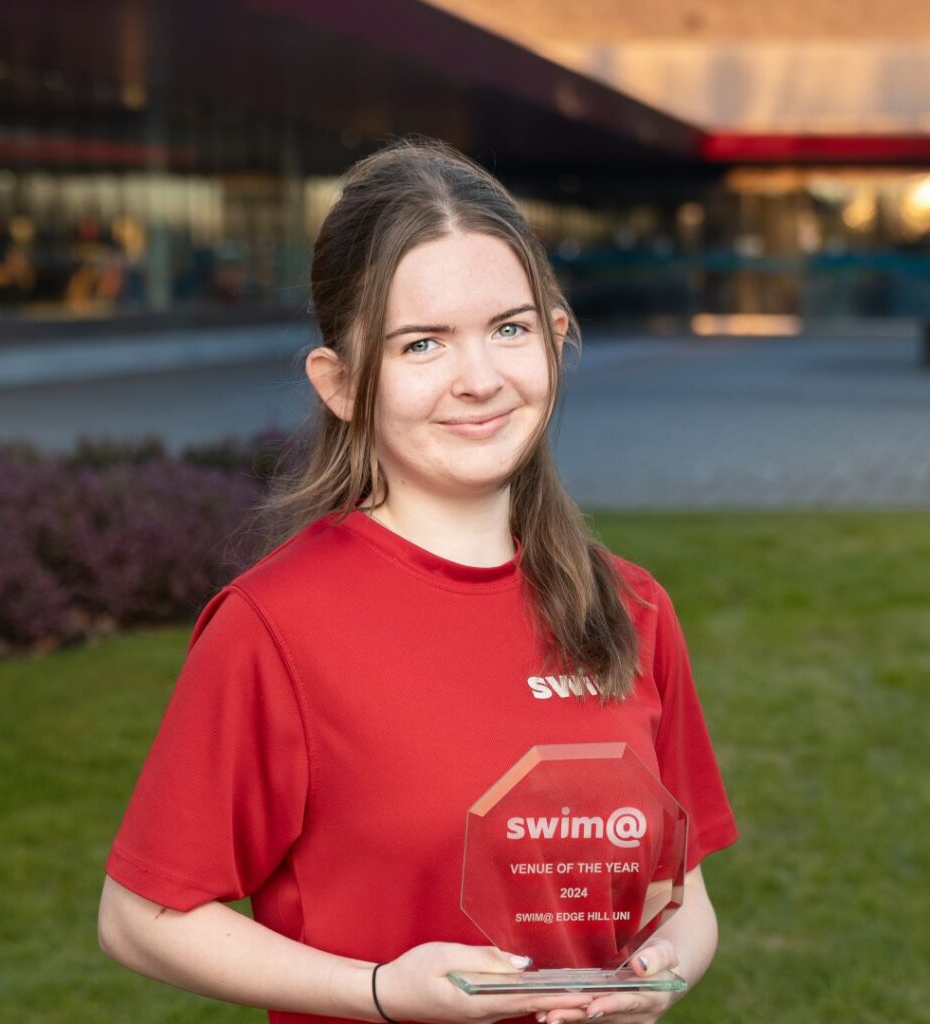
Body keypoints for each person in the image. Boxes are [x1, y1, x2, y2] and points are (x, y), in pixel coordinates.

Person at [97, 137, 738, 1024]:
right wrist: (377, 992)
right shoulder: (276, 626)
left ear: (554, 341)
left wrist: (658, 974)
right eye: (422, 344)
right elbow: (139, 919)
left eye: (509, 329)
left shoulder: (630, 607)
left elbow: (687, 897)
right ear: (344, 384)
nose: (479, 380)